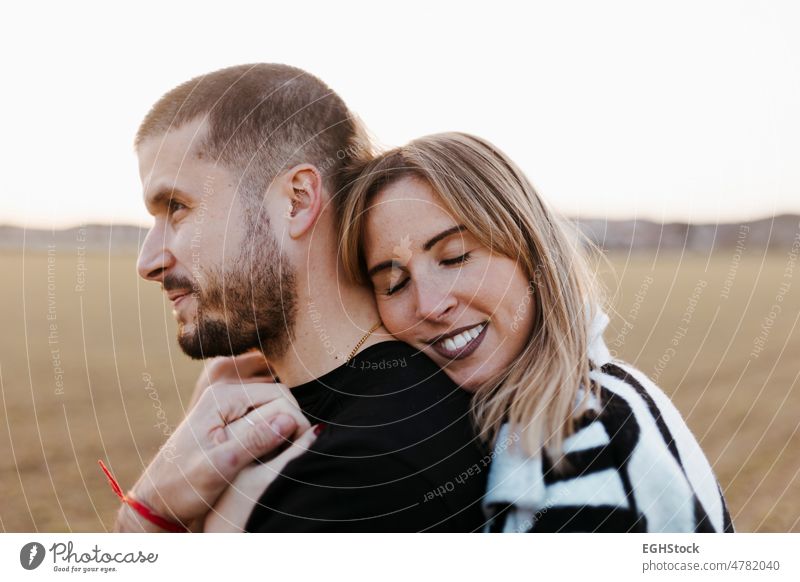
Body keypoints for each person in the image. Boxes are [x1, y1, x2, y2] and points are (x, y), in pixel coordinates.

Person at [111, 64, 488, 533]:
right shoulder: (271, 413)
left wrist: (147, 515)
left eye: (178, 209)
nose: (147, 262)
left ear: (297, 200)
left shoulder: (367, 470)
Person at [334, 132, 735, 532]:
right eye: (394, 284)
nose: (430, 306)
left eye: (455, 257)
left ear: (529, 247)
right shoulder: (572, 407)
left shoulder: (585, 443)